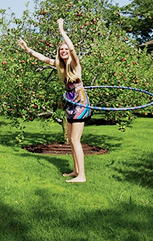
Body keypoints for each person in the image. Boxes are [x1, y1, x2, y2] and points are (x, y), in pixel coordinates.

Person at [18, 18, 91, 183]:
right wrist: (27, 49)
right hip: (71, 104)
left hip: (80, 104)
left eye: (65, 48)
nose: (64, 50)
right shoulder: (60, 66)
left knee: (74, 140)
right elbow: (43, 58)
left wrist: (61, 30)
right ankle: (76, 170)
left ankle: (82, 176)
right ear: (59, 52)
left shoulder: (75, 65)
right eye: (61, 49)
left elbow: (72, 48)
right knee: (71, 140)